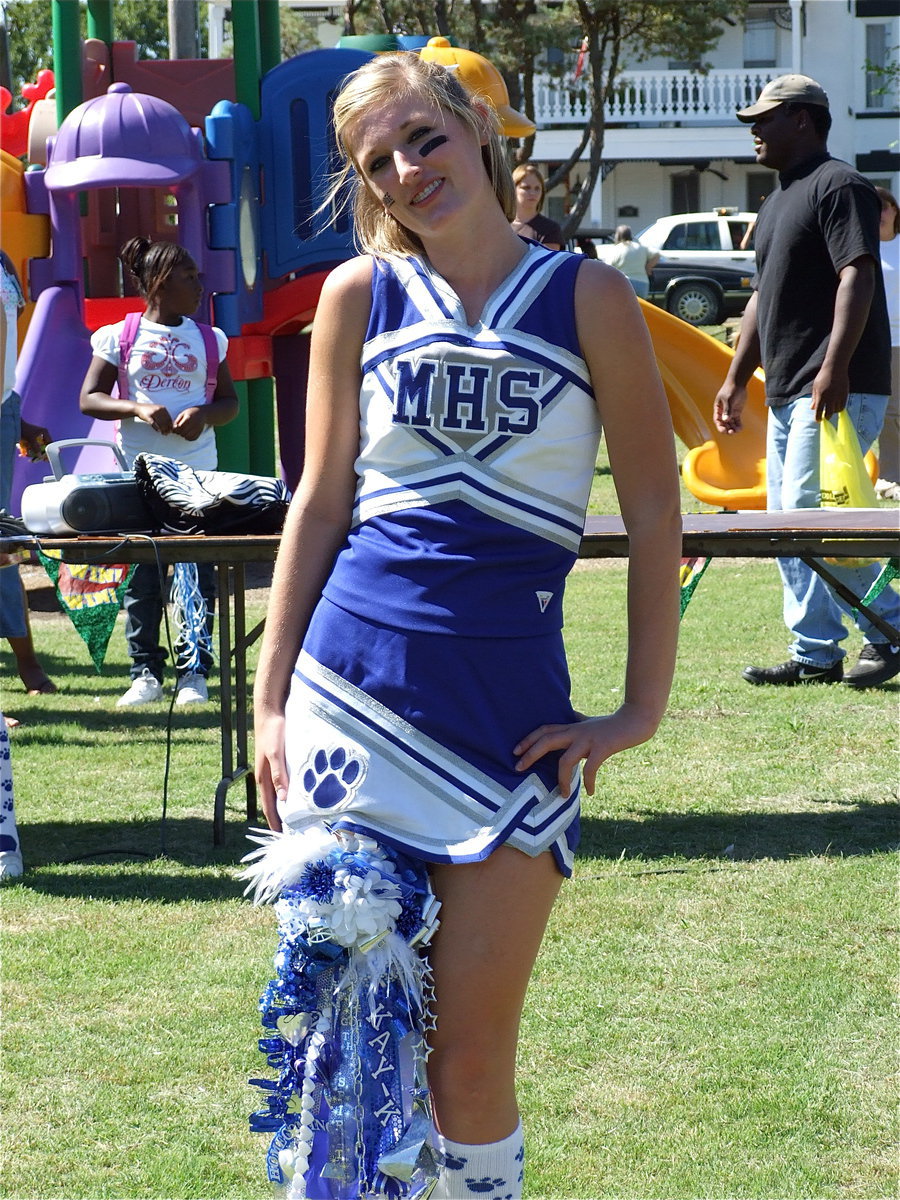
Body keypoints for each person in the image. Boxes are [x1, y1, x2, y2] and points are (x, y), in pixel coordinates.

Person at [247, 52, 681, 1199]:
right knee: (348, 1053)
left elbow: (652, 514)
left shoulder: (587, 297)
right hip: (352, 701)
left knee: (472, 1063)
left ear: (476, 130)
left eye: (423, 139)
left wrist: (639, 708)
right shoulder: (358, 297)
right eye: (377, 162)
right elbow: (320, 499)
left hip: (510, 721)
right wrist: (271, 697)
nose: (407, 171)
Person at [713, 74, 900, 689]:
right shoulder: (776, 201)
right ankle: (817, 654)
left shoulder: (840, 185)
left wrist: (835, 366)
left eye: (763, 120)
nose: (754, 133)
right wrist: (736, 378)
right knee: (786, 523)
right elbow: (763, 301)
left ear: (803, 118)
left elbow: (859, 276)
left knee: (812, 519)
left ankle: (890, 630)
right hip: (791, 387)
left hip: (837, 386)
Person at [80, 238, 238, 706]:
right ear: (159, 285)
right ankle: (145, 673)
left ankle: (194, 672)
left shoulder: (211, 339)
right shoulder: (120, 336)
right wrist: (137, 407)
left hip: (198, 477)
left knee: (194, 573)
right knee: (143, 575)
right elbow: (90, 397)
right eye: (189, 277)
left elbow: (228, 403)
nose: (199, 285)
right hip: (137, 474)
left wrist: (204, 415)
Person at [0, 249, 57, 698]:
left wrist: (15, 420)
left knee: (2, 549)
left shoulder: (3, 266)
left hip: (3, 412)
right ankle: (29, 669)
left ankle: (29, 667)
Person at [874, 186, 899, 500]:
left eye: (884, 207)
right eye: (873, 207)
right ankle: (886, 476)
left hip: (897, 341)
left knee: (894, 414)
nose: (879, 214)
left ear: (895, 210)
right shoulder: (859, 247)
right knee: (883, 414)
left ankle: (891, 475)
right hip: (871, 342)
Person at [510, 163, 563, 249]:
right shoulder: (502, 226)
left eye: (537, 188)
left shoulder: (550, 229)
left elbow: (549, 261)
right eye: (526, 188)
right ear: (513, 189)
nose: (532, 193)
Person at [601, 225, 660, 299]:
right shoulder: (640, 247)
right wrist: (648, 267)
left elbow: (608, 267)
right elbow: (656, 254)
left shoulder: (616, 249)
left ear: (618, 235)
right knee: (640, 309)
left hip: (624, 283)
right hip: (642, 284)